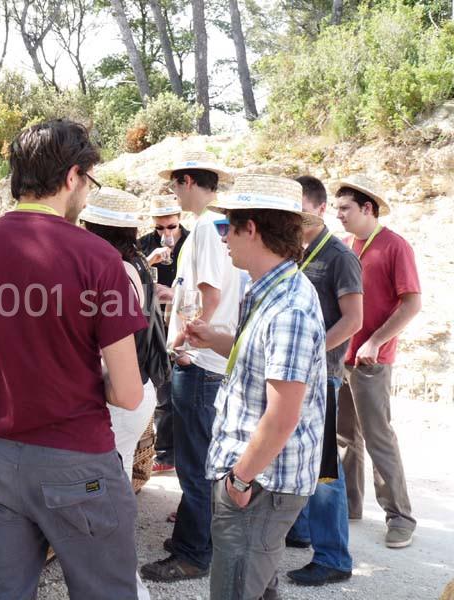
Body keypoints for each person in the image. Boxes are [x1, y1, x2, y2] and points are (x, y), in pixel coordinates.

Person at [0, 119, 147, 599]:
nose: (86, 197)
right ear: (72, 177)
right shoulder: (101, 261)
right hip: (77, 460)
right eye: (88, 183)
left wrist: (3, 383)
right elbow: (129, 391)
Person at [186, 174, 327, 600]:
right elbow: (264, 359)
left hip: (261, 483)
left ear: (252, 229)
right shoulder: (268, 290)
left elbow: (282, 416)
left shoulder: (288, 307)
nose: (223, 237)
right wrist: (217, 340)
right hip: (257, 480)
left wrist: (240, 481)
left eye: (229, 225)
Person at [141, 152, 243, 583]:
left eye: (174, 186)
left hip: (197, 361)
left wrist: (178, 342)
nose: (173, 194)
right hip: (209, 358)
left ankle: (192, 554)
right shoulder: (218, 228)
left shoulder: (202, 228)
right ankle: (197, 534)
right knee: (202, 458)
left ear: (186, 182)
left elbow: (208, 297)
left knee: (195, 463)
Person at [81, 186, 162, 600]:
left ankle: (125, 587)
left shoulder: (112, 269)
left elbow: (114, 343)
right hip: (137, 391)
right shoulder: (136, 264)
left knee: (103, 508)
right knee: (110, 500)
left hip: (119, 396)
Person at [333, 174, 422, 549]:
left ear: (367, 208)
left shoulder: (395, 246)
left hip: (372, 361)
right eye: (336, 209)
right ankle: (350, 507)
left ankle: (400, 518)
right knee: (342, 438)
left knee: (377, 438)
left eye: (345, 209)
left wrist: (375, 340)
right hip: (343, 357)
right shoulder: (345, 246)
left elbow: (412, 303)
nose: (339, 215)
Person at [284, 175, 363, 586]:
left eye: (297, 207)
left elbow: (354, 319)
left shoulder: (338, 256)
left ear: (318, 207)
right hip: (299, 376)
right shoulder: (293, 251)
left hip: (324, 377)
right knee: (299, 457)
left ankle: (334, 558)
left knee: (324, 470)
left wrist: (313, 352)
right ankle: (301, 532)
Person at [138, 195, 189, 472]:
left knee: (176, 392)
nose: (166, 234)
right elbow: (129, 275)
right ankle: (161, 451)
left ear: (179, 219)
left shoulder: (192, 242)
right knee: (160, 390)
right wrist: (149, 261)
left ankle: (170, 452)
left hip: (181, 322)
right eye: (160, 228)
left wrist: (174, 294)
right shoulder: (144, 244)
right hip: (153, 323)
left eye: (170, 227)